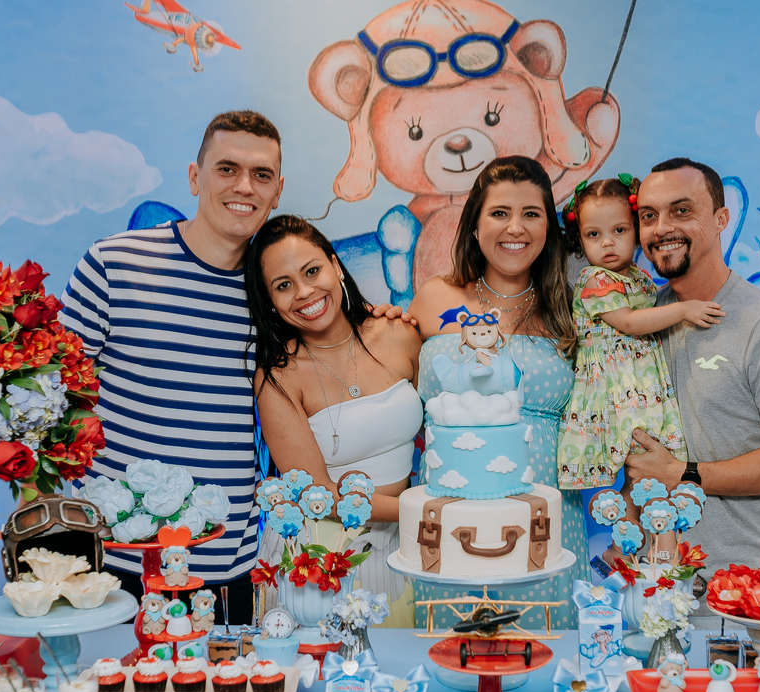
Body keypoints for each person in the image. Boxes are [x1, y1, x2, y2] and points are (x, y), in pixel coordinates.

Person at [60, 111, 405, 622]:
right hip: (115, 557)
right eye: (227, 169)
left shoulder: (275, 291)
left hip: (226, 569)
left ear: (278, 189)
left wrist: (378, 314)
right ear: (196, 177)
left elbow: (330, 339)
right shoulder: (113, 264)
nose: (244, 186)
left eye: (261, 174)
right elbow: (52, 398)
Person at [408, 155, 589, 628]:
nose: (517, 228)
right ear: (474, 223)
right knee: (452, 656)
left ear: (549, 225)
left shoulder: (572, 312)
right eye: (499, 212)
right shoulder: (435, 298)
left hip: (545, 517)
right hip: (451, 517)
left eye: (532, 213)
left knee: (543, 655)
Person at [620, 157, 760, 575]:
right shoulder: (640, 322)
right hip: (648, 583)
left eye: (681, 211)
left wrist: (683, 474)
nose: (662, 229)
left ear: (720, 219)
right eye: (648, 216)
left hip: (739, 589)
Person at [247, 215, 423, 627]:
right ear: (269, 300)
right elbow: (318, 494)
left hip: (404, 542)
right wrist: (423, 511)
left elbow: (444, 429)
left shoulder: (400, 334)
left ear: (335, 266)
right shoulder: (278, 375)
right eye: (283, 285)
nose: (305, 292)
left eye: (312, 271)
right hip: (321, 557)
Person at [556, 175, 723, 491]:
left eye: (619, 231)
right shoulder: (595, 280)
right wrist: (685, 310)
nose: (607, 242)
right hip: (613, 387)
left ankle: (645, 530)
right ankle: (625, 531)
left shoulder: (640, 277)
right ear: (580, 239)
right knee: (635, 460)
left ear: (636, 231)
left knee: (651, 466)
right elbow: (630, 322)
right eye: (594, 234)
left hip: (641, 381)